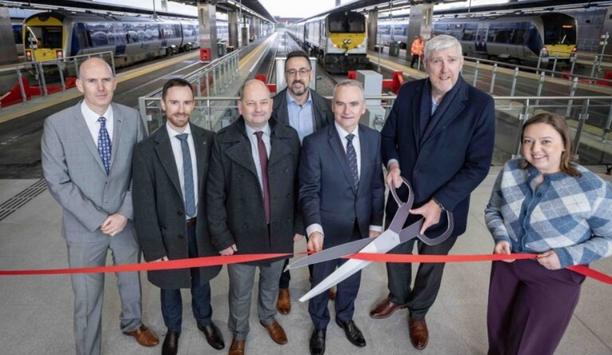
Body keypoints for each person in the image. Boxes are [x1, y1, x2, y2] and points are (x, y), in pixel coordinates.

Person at [370, 34, 495, 350]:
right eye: (437, 61)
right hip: (404, 200)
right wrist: (394, 164)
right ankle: (398, 297)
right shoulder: (409, 93)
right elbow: (388, 138)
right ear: (425, 64)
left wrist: (440, 202)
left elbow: (478, 165)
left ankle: (418, 312)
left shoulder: (479, 105)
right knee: (395, 254)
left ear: (462, 62)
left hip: (445, 207)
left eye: (451, 61)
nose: (444, 69)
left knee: (432, 263)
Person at [41, 57, 159, 355]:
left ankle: (132, 323)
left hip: (125, 222)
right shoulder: (57, 125)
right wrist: (98, 218)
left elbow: (141, 172)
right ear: (79, 85)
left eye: (106, 79)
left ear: (115, 82)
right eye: (92, 81)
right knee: (86, 298)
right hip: (83, 228)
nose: (101, 87)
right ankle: (88, 349)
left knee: (131, 282)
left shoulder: (131, 118)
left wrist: (124, 213)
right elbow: (57, 181)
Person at [485, 113, 612, 355]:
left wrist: (565, 256)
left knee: (530, 342)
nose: (535, 149)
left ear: (564, 144)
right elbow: (493, 209)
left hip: (558, 273)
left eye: (546, 141)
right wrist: (501, 237)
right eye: (528, 141)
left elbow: (610, 238)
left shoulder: (592, 187)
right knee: (498, 328)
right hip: (507, 263)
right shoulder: (511, 170)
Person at [206, 79, 302, 355]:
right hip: (240, 235)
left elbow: (300, 185)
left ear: (271, 105)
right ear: (240, 107)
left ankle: (267, 317)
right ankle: (239, 332)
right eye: (251, 103)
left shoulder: (289, 136)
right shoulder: (223, 140)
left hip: (279, 230)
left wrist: (297, 225)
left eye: (263, 102)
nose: (257, 109)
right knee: (240, 289)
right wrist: (222, 237)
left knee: (272, 282)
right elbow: (214, 195)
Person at [132, 78, 225, 355]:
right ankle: (173, 328)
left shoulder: (209, 140)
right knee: (169, 284)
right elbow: (143, 203)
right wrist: (153, 248)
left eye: (186, 102)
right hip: (167, 232)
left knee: (201, 279)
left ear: (194, 104)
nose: (180, 109)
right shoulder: (146, 150)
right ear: (162, 105)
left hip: (201, 228)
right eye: (174, 102)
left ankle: (204, 320)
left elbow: (217, 190)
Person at [300, 80, 385, 355]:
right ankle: (320, 324)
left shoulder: (374, 139)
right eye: (340, 103)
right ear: (332, 106)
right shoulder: (314, 143)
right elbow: (309, 190)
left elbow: (375, 185)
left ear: (363, 108)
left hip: (360, 227)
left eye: (353, 104)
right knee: (321, 280)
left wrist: (374, 224)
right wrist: (314, 228)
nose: (346, 110)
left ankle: (345, 317)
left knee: (351, 278)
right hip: (325, 230)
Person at [272, 50, 334, 314]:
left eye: (302, 71)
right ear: (285, 75)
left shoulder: (324, 106)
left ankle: (316, 277)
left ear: (311, 74)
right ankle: (282, 285)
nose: (297, 77)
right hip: (280, 184)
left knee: (315, 232)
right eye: (291, 72)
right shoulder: (271, 106)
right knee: (282, 238)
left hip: (314, 183)